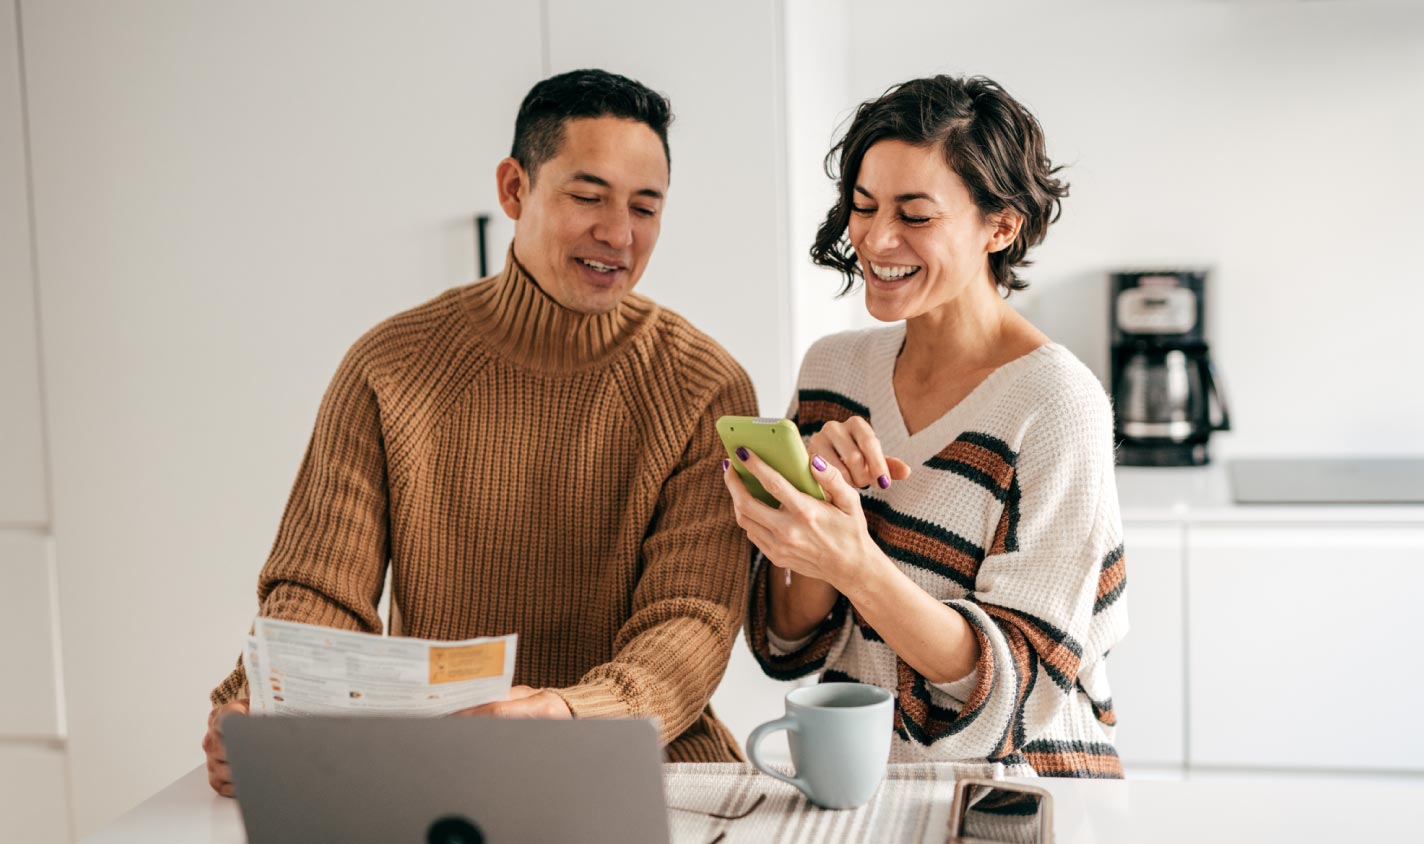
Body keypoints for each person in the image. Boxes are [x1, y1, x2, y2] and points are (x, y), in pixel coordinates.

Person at [202, 69, 758, 796]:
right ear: (514, 189)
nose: (618, 234)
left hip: (647, 772)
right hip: (443, 772)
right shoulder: (388, 367)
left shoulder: (704, 387)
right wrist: (263, 702)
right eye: (588, 196)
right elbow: (319, 591)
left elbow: (692, 622)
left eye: (644, 208)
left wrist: (569, 714)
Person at [724, 75, 1128, 777]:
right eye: (863, 205)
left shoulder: (1057, 403)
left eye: (915, 215)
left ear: (1000, 226)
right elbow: (784, 644)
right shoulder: (834, 370)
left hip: (1018, 795)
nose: (876, 239)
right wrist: (815, 512)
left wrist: (857, 563)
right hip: (862, 785)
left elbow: (1012, 696)